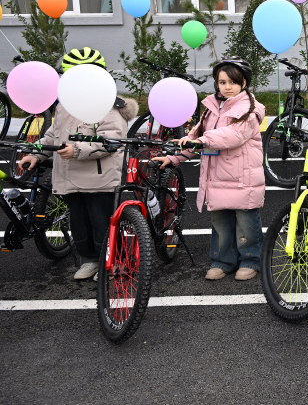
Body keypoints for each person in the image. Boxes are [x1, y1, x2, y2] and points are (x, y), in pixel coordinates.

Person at [19, 48, 138, 281]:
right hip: (71, 178)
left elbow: (112, 141)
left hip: (99, 178)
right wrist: (37, 153)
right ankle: (89, 260)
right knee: (80, 224)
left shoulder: (109, 106)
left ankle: (113, 260)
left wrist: (78, 150)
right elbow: (54, 134)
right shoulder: (65, 105)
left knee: (102, 222)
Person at [153, 58, 265, 281]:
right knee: (220, 224)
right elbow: (195, 138)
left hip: (243, 178)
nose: (227, 87)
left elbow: (233, 136)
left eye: (233, 82)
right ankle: (223, 261)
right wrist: (174, 157)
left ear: (244, 83)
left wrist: (202, 140)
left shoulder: (249, 110)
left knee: (246, 223)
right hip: (216, 178)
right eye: (222, 82)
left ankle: (250, 260)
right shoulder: (211, 108)